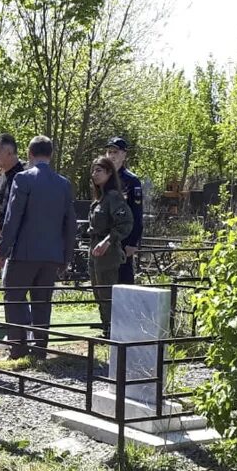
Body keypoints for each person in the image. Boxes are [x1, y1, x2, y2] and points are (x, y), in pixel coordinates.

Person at [0, 136, 77, 360]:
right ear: (50, 155)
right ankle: (40, 349)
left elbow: (13, 218)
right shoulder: (63, 184)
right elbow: (70, 224)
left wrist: (3, 252)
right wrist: (66, 257)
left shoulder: (23, 179)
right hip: (51, 255)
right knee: (43, 302)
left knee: (14, 298)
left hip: (24, 254)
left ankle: (18, 349)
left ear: (30, 155)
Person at [86, 157, 134, 337]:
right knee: (98, 291)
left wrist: (108, 240)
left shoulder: (113, 197)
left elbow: (125, 223)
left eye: (99, 171)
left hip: (108, 251)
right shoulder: (100, 199)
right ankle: (106, 327)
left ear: (108, 173)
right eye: (93, 171)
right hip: (95, 249)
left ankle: (113, 330)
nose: (95, 175)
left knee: (107, 291)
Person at [104, 137, 143, 284]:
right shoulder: (103, 176)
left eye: (115, 152)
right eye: (109, 151)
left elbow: (137, 213)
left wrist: (133, 242)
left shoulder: (131, 180)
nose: (111, 155)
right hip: (105, 237)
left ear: (124, 155)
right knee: (104, 282)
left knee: (124, 281)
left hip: (123, 240)